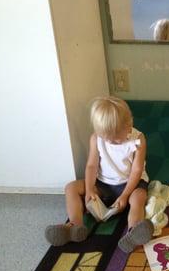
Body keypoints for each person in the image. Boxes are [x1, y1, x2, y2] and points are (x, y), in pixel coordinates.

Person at [45, 97, 153, 253]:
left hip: (130, 183)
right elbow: (91, 165)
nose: (110, 142)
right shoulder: (96, 139)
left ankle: (133, 231)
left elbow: (136, 171)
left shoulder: (138, 140)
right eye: (105, 138)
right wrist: (89, 189)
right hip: (103, 184)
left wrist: (124, 195)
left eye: (115, 140)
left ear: (129, 126)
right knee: (71, 188)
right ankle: (75, 226)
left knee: (138, 198)